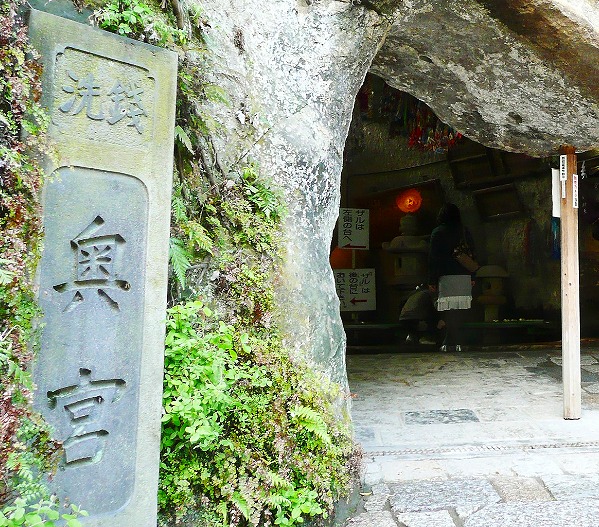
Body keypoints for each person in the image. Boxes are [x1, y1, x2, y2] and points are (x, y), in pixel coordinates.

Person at [428, 203, 476, 352]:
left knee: (448, 309)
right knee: (460, 310)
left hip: (446, 276)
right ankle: (457, 341)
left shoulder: (437, 232)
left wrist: (432, 279)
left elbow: (434, 258)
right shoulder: (464, 231)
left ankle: (448, 340)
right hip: (463, 275)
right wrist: (472, 275)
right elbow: (472, 253)